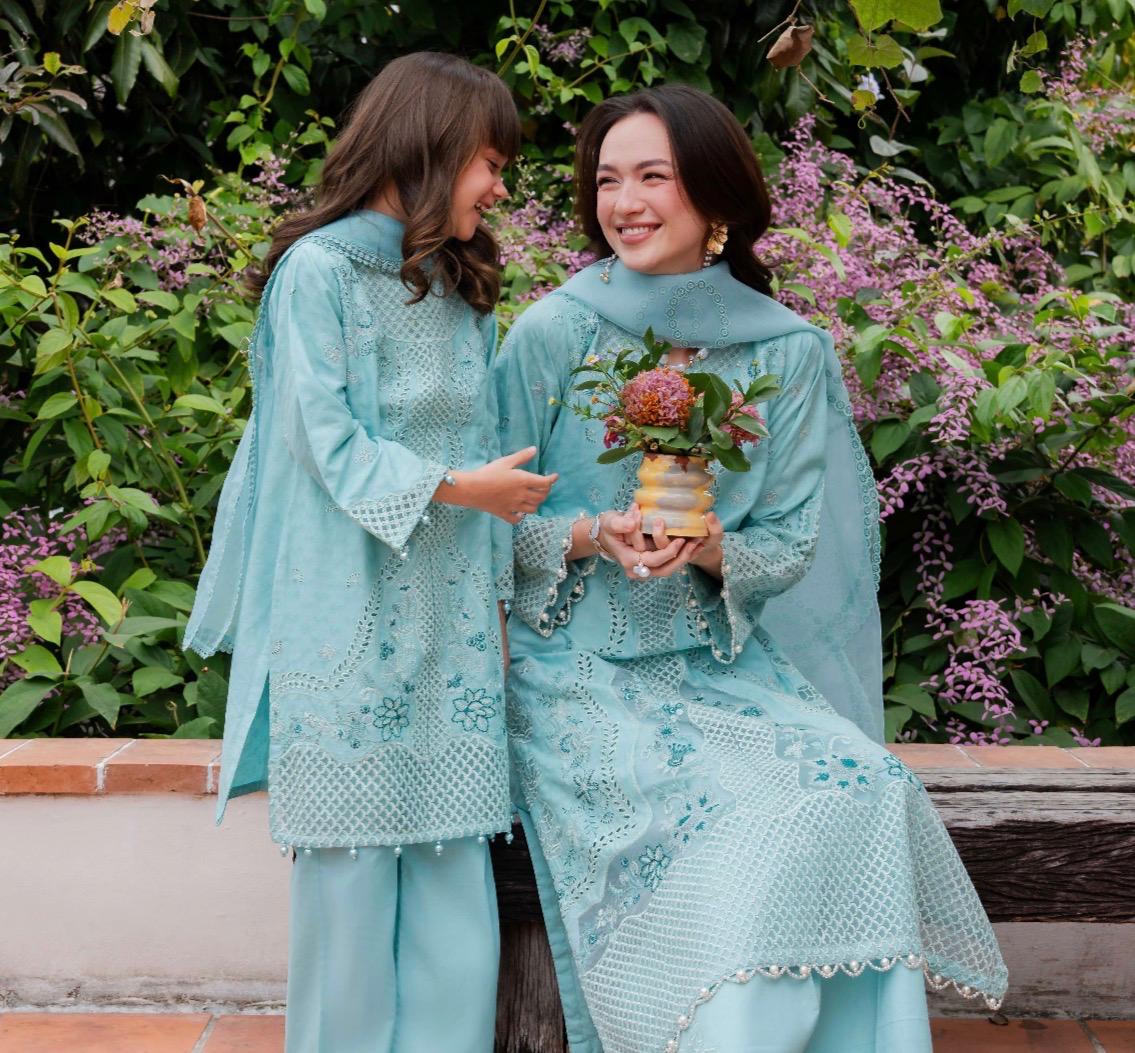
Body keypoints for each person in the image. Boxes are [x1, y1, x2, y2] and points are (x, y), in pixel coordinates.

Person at [492, 84, 1006, 1053]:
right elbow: (483, 524)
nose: (624, 203)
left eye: (653, 176)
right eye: (607, 181)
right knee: (731, 818)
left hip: (721, 670)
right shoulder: (552, 334)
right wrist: (591, 534)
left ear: (715, 196)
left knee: (858, 785)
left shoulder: (789, 354)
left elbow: (789, 540)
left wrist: (710, 546)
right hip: (572, 675)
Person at [184, 52, 555, 1053]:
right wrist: (463, 488)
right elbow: (326, 443)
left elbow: (481, 442)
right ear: (431, 147)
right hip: (344, 612)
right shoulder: (318, 275)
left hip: (450, 622)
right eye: (489, 163)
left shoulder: (458, 286)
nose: (499, 187)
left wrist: (499, 575)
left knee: (454, 900)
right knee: (347, 897)